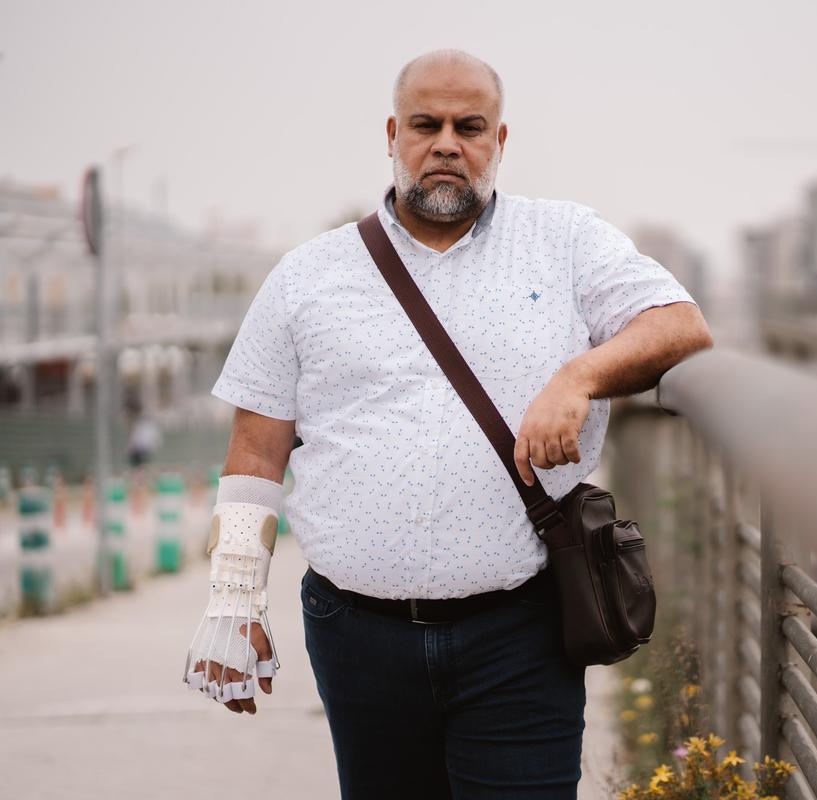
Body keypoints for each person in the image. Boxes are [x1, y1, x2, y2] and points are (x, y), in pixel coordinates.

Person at [185, 49, 712, 799]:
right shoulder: (308, 275)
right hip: (356, 634)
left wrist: (580, 376)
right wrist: (233, 604)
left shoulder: (564, 241)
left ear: (500, 141)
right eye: (427, 125)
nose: (446, 144)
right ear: (394, 133)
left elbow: (681, 325)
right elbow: (254, 454)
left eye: (470, 127)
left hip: (521, 632)